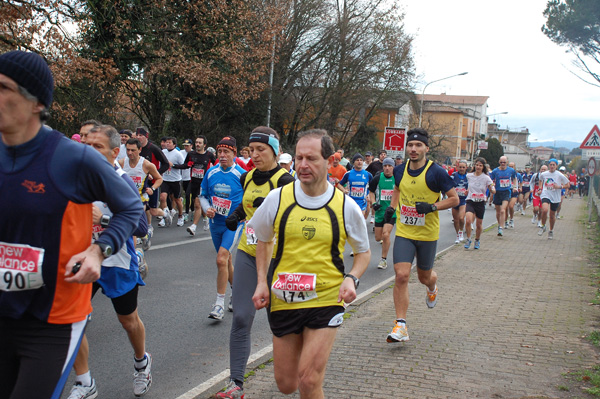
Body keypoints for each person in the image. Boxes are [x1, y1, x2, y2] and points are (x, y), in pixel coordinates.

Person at [0, 50, 142, 399]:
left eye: (4, 87)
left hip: (53, 317)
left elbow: (132, 208)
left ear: (35, 102)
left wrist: (99, 249)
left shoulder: (70, 157)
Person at [250, 129, 370, 398]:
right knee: (287, 384)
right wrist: (261, 282)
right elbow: (263, 239)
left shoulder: (345, 206)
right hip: (284, 297)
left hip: (326, 298)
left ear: (330, 161)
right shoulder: (278, 198)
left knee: (308, 379)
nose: (303, 165)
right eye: (299, 158)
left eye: (312, 159)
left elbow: (363, 252)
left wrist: (352, 278)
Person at [67, 125, 152, 398]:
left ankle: (142, 363)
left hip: (117, 261)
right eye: (86, 146)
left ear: (115, 152)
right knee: (73, 320)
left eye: (97, 148)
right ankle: (84, 382)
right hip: (82, 260)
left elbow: (140, 226)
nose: (88, 153)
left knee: (128, 320)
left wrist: (102, 219)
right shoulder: (73, 179)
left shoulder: (122, 180)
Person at [214, 127, 295, 399]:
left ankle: (293, 368)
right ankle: (236, 383)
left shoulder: (286, 181)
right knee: (241, 317)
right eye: (251, 150)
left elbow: (292, 221)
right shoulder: (247, 176)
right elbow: (247, 205)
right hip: (249, 253)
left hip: (278, 260)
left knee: (280, 322)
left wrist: (271, 210)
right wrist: (236, 215)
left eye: (261, 149)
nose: (255, 154)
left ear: (275, 150)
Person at [383, 127, 458, 343]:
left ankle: (432, 287)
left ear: (426, 147)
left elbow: (454, 199)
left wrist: (432, 207)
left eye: (418, 145)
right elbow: (397, 188)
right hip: (405, 231)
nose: (413, 149)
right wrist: (392, 208)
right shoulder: (399, 169)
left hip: (427, 233)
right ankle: (401, 326)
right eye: (410, 145)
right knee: (401, 275)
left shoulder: (437, 172)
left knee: (424, 277)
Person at [200, 136, 246, 320]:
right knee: (225, 261)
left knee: (221, 259)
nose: (222, 155)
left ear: (234, 153)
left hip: (234, 225)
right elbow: (202, 196)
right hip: (215, 223)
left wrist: (240, 215)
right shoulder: (211, 173)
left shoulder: (241, 175)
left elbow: (248, 199)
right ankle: (237, 293)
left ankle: (218, 304)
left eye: (226, 151)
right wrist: (207, 209)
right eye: (219, 151)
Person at [120, 138, 165, 250]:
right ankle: (143, 238)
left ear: (140, 149)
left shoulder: (146, 164)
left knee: (133, 225)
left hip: (140, 199)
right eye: (128, 150)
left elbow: (159, 179)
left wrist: (153, 189)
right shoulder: (121, 163)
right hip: (125, 200)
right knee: (133, 229)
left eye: (133, 150)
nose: (130, 153)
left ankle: (135, 255)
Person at [173, 135, 215, 235]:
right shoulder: (191, 154)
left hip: (203, 184)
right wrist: (173, 166)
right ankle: (205, 219)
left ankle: (194, 226)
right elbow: (185, 165)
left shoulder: (209, 155)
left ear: (204, 145)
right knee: (196, 203)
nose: (197, 144)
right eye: (196, 142)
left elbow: (217, 165)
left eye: (200, 143)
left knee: (197, 204)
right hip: (193, 182)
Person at [135, 127, 169, 232]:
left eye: (141, 135)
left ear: (146, 137)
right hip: (140, 183)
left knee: (153, 210)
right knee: (143, 208)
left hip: (153, 183)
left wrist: (155, 174)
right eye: (137, 135)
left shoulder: (153, 148)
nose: (138, 137)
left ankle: (165, 214)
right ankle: (147, 227)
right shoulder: (135, 149)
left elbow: (166, 164)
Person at [368, 157, 396, 269]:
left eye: (389, 166)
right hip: (380, 212)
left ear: (393, 167)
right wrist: (374, 203)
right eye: (385, 166)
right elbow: (371, 192)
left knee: (386, 234)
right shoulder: (378, 178)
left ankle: (383, 260)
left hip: (392, 212)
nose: (387, 168)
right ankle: (384, 244)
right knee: (378, 237)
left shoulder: (397, 178)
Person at [463, 157, 495, 250]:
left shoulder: (486, 177)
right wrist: (467, 190)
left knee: (479, 224)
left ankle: (477, 239)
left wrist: (492, 189)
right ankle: (468, 239)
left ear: (483, 167)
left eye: (480, 165)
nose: (478, 167)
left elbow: (491, 186)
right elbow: (468, 185)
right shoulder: (469, 175)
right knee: (468, 220)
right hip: (470, 200)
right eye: (477, 165)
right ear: (474, 166)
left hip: (480, 202)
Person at [538, 159, 569, 239]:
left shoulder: (559, 175)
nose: (552, 166)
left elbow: (568, 185)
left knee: (552, 215)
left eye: (553, 165)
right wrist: (540, 188)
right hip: (546, 194)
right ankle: (542, 226)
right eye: (550, 165)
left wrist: (559, 187)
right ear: (548, 165)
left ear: (556, 166)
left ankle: (551, 230)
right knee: (544, 210)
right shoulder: (544, 174)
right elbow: (540, 179)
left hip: (555, 196)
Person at [159, 137, 185, 227]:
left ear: (174, 144)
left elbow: (183, 165)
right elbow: (160, 164)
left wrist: (173, 165)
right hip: (165, 179)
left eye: (169, 143)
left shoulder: (178, 154)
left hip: (175, 180)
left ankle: (180, 216)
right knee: (163, 197)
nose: (167, 144)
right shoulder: (163, 152)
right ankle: (164, 216)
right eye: (166, 142)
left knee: (177, 200)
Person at [338, 153, 373, 219]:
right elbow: (339, 184)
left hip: (362, 201)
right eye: (357, 160)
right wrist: (344, 190)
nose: (359, 162)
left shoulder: (368, 174)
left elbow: (373, 187)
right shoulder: (348, 174)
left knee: (359, 219)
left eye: (361, 160)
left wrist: (369, 194)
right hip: (350, 201)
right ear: (354, 162)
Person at [489, 156, 517, 237]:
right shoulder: (495, 171)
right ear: (499, 162)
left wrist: (514, 186)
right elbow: (491, 180)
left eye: (504, 162)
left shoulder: (511, 170)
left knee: (502, 210)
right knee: (498, 212)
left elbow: (514, 178)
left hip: (506, 192)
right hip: (497, 192)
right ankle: (499, 224)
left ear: (507, 162)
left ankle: (501, 227)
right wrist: (492, 185)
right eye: (501, 162)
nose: (503, 164)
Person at [450, 160, 468, 243]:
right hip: (455, 199)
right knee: (455, 219)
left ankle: (461, 231)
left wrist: (468, 190)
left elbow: (472, 185)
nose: (461, 169)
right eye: (460, 167)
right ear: (457, 167)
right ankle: (458, 235)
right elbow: (448, 184)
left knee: (461, 218)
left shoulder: (468, 176)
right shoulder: (454, 175)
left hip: (463, 200)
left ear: (466, 168)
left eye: (463, 167)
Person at [504, 161, 522, 229]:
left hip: (514, 191)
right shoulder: (506, 173)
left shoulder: (518, 175)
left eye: (512, 166)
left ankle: (511, 219)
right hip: (507, 191)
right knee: (505, 208)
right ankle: (505, 221)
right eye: (510, 166)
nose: (511, 168)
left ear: (514, 167)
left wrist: (520, 187)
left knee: (511, 206)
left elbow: (521, 182)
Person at [180, 138, 193, 218]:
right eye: (185, 146)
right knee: (185, 194)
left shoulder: (194, 153)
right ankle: (190, 209)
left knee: (188, 194)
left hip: (191, 178)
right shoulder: (180, 153)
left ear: (191, 146)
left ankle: (188, 212)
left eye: (187, 146)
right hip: (182, 177)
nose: (186, 147)